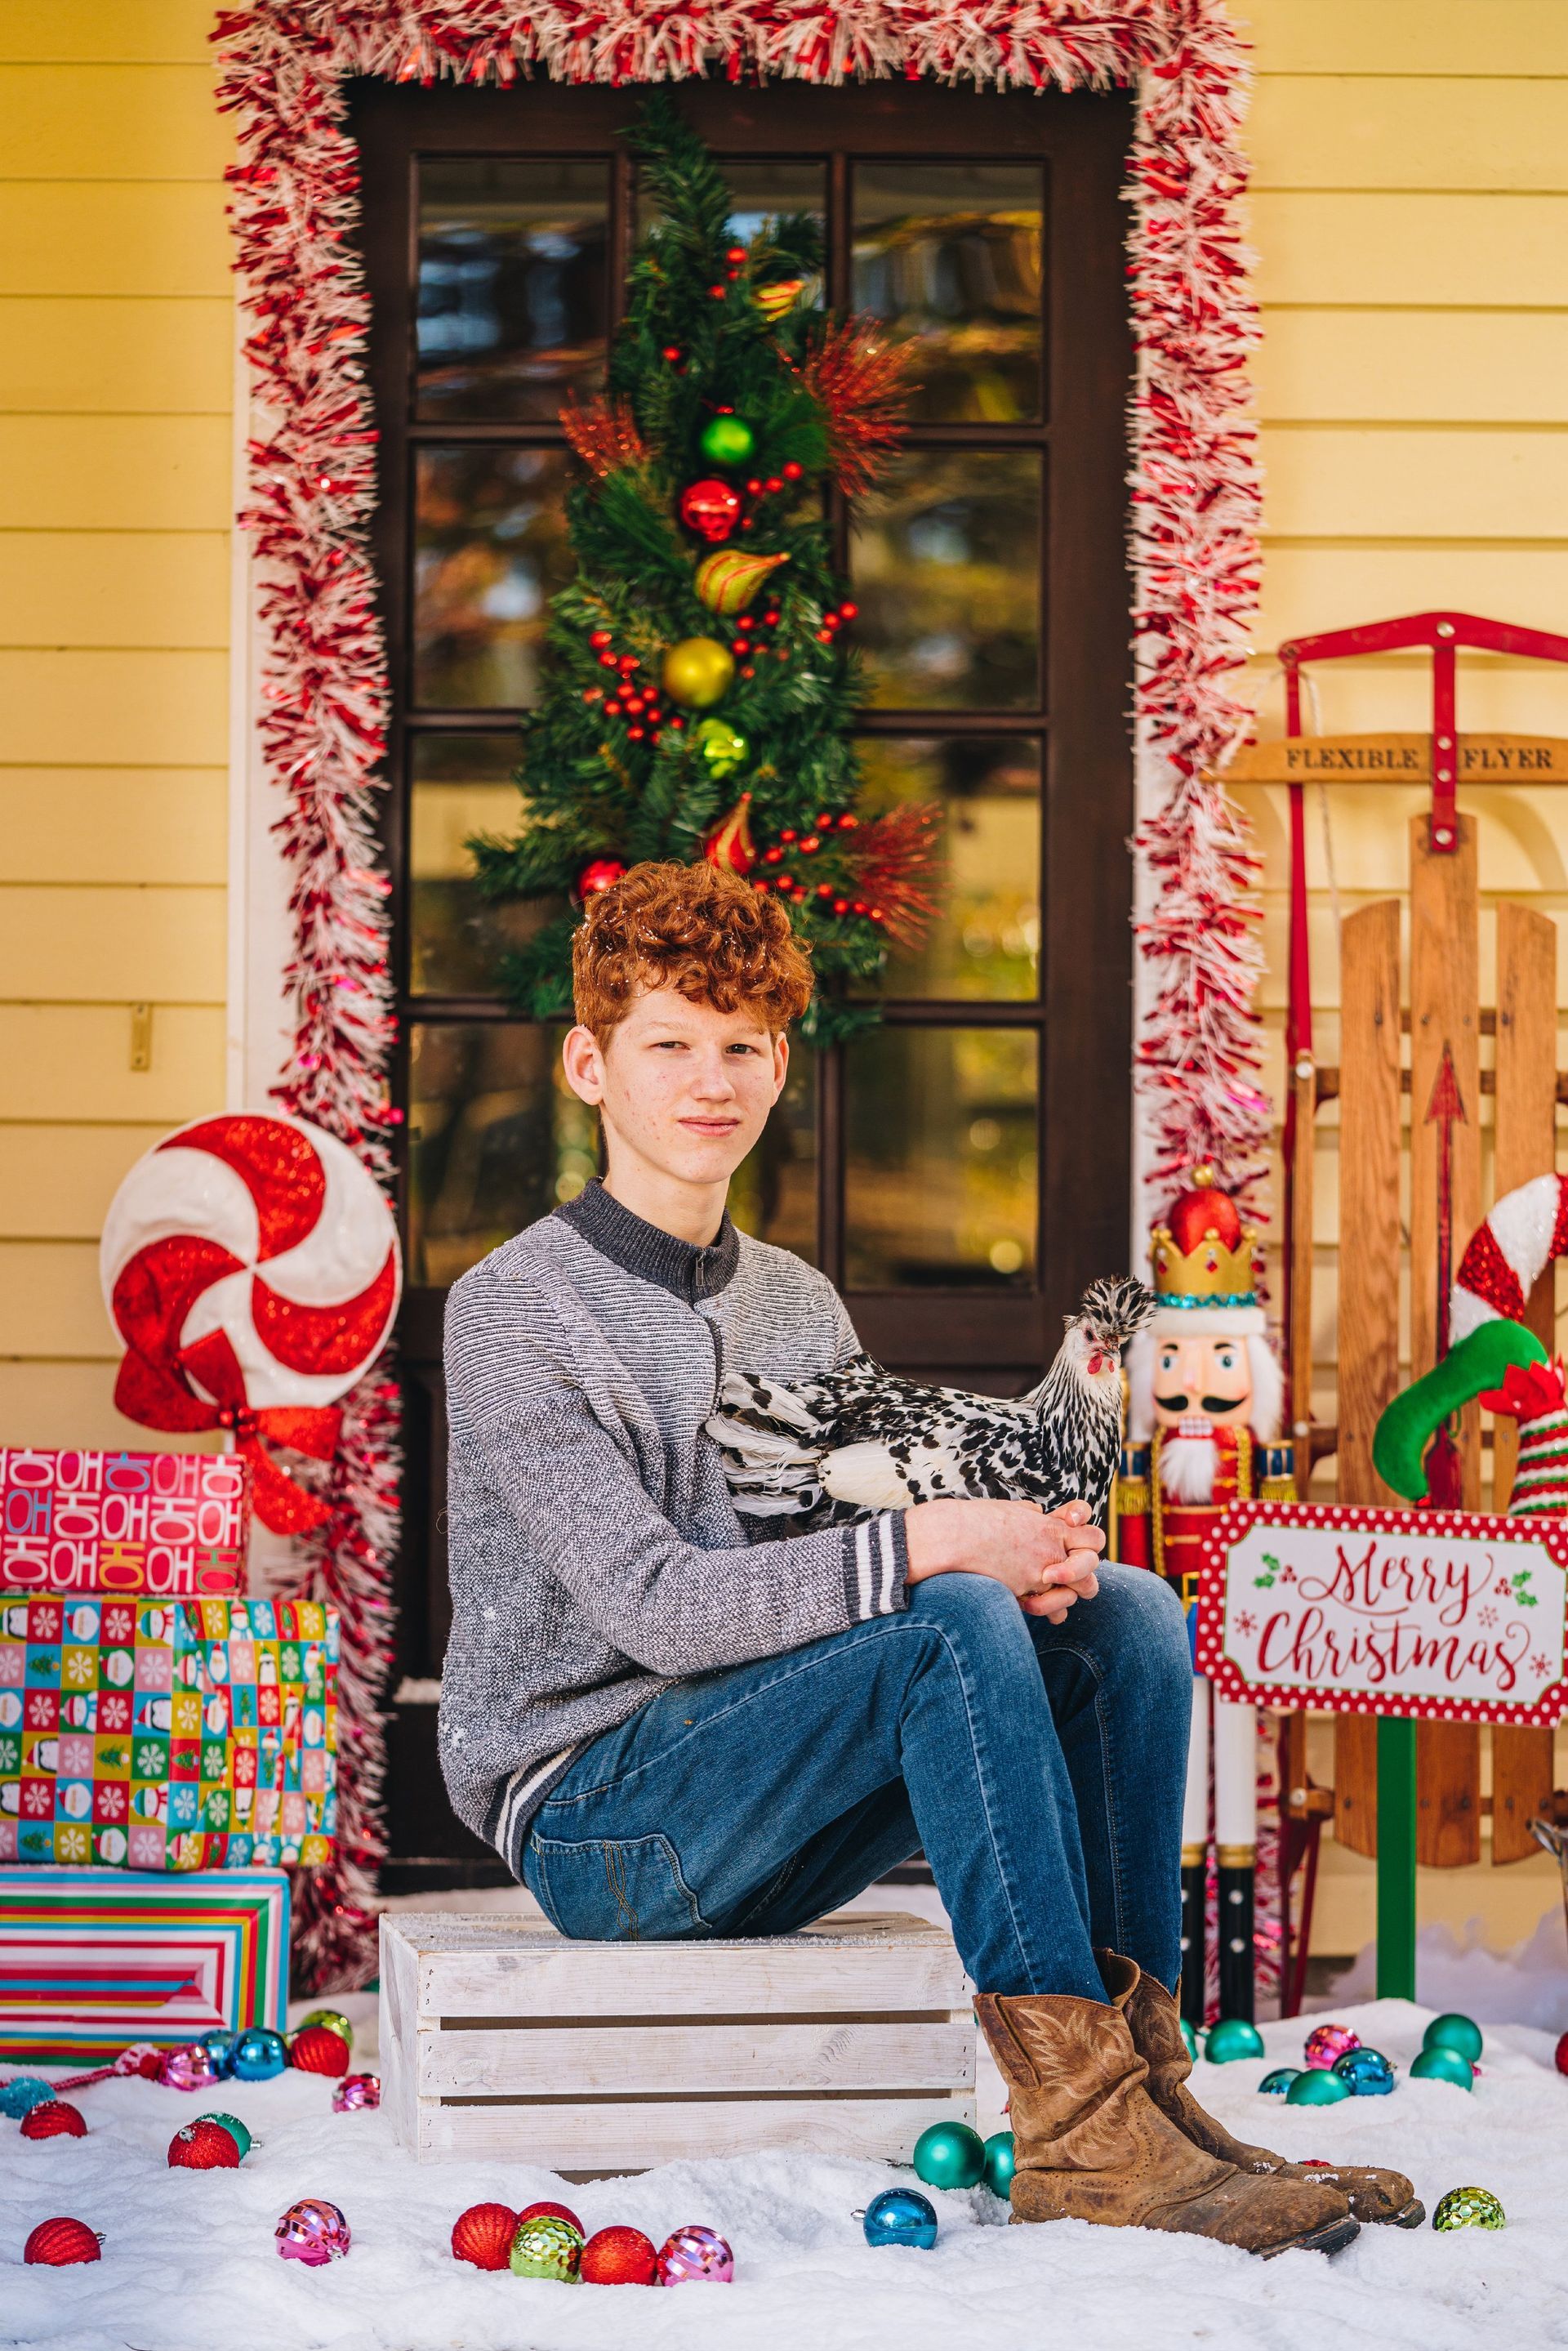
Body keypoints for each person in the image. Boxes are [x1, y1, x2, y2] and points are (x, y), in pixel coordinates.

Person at [439, 860, 1416, 2253]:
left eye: (738, 1047)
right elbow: (656, 1609)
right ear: (592, 1065)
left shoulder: (793, 1299)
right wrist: (945, 1547)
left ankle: (1143, 2102)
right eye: (667, 1043)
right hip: (601, 1822)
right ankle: (1086, 2140)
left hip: (759, 1796)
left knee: (1126, 1615)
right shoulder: (515, 1309)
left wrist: (1027, 1570)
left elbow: (844, 1557)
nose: (706, 1081)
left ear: (780, 1065)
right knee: (947, 1608)